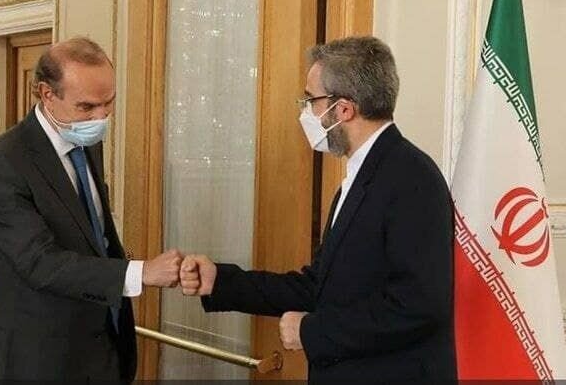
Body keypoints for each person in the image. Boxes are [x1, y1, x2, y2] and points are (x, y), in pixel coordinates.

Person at [180, 36, 457, 381]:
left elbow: (418, 306)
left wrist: (311, 332)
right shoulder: (362, 175)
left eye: (311, 100)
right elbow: (320, 285)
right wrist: (221, 282)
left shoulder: (412, 178)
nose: (306, 112)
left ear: (343, 109)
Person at [0, 37, 183, 381]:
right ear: (47, 94)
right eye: (87, 106)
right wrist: (141, 272)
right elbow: (39, 263)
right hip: (41, 359)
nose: (100, 117)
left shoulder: (86, 142)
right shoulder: (2, 162)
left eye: (108, 102)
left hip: (105, 349)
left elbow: (95, 237)